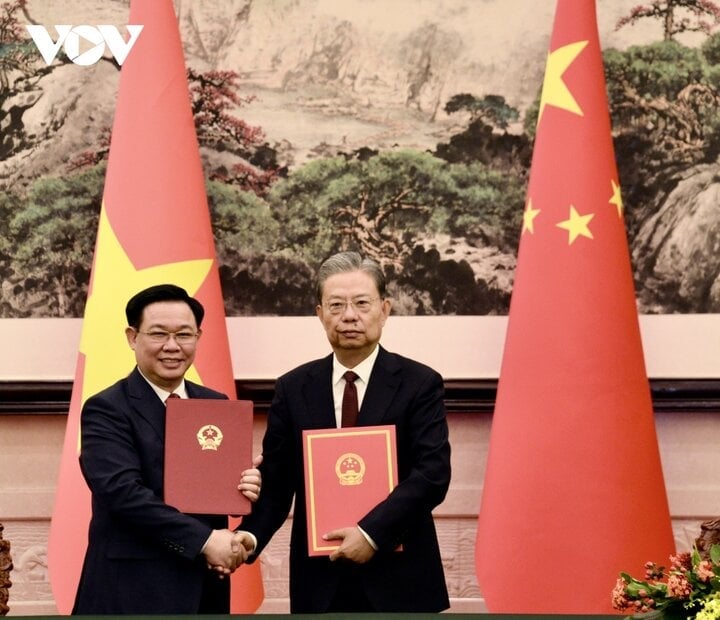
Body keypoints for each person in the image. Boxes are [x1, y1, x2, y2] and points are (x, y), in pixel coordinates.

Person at [241, 251, 451, 613]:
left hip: (401, 579)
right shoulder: (293, 388)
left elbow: (431, 475)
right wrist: (249, 536)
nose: (349, 316)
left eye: (362, 303)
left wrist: (371, 534)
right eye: (336, 305)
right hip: (320, 582)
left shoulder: (420, 383)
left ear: (385, 309)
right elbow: (277, 481)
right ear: (320, 314)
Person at [72, 284, 259, 614]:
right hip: (130, 590)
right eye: (158, 334)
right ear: (133, 337)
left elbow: (215, 494)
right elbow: (122, 493)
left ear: (198, 337)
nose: (172, 346)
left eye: (184, 335)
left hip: (204, 589)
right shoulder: (106, 408)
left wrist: (245, 487)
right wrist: (204, 541)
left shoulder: (216, 406)